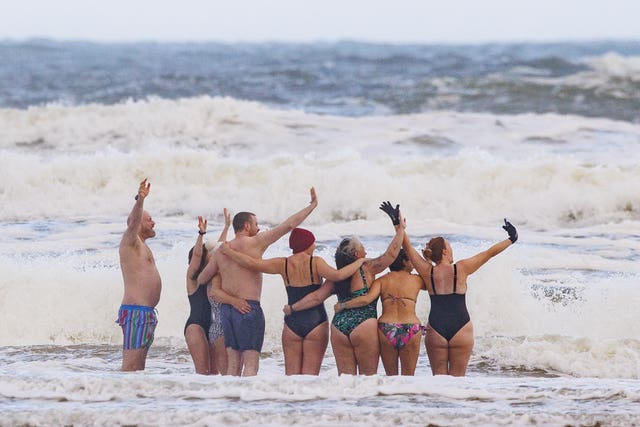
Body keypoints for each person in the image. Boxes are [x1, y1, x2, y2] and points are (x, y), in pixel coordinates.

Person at [197, 187, 318, 376]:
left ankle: (229, 401)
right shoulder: (256, 242)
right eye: (255, 223)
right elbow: (288, 225)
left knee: (233, 365)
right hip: (248, 308)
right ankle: (247, 403)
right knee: (251, 364)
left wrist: (223, 274)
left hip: (227, 311)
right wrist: (312, 206)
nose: (258, 227)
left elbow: (203, 278)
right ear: (246, 226)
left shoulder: (221, 251)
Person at [220, 227, 366, 375]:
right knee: (310, 378)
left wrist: (229, 252)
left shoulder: (282, 263)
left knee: (291, 377)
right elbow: (338, 275)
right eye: (313, 243)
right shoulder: (315, 262)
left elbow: (251, 263)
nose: (314, 246)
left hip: (291, 325)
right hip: (316, 322)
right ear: (307, 244)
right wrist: (360, 261)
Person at [284, 201, 405, 375]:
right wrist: (399, 227)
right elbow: (392, 253)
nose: (365, 251)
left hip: (339, 327)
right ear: (356, 255)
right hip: (364, 324)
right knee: (367, 381)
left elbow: (317, 298)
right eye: (363, 248)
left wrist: (292, 308)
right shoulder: (367, 268)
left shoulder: (336, 276)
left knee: (345, 383)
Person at [403, 218, 518, 376]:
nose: (451, 250)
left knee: (439, 381)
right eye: (449, 247)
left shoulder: (427, 271)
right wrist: (512, 238)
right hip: (461, 328)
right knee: (457, 382)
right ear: (444, 251)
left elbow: (407, 247)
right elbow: (489, 253)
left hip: (436, 329)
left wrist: (399, 227)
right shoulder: (461, 268)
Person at [333, 248, 426, 375]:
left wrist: (343, 305)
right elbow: (430, 277)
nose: (414, 264)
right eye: (411, 261)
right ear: (404, 262)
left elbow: (366, 299)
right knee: (408, 378)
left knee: (390, 377)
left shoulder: (381, 280)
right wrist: (428, 260)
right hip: (411, 328)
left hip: (386, 328)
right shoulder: (417, 280)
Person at [116, 178, 162, 371]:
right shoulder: (130, 241)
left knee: (139, 367)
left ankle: (135, 400)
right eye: (149, 219)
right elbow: (133, 222)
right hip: (136, 312)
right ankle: (118, 398)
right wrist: (140, 200)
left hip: (146, 313)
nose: (154, 222)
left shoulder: (143, 246)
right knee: (131, 366)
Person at [184, 210, 231, 375]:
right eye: (208, 256)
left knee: (214, 373)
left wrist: (226, 226)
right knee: (203, 372)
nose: (212, 257)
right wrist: (201, 234)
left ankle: (209, 401)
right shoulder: (193, 278)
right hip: (195, 327)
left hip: (212, 327)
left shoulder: (210, 276)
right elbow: (197, 256)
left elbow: (218, 248)